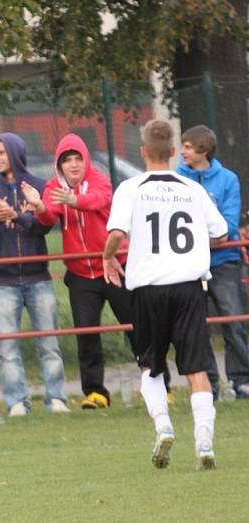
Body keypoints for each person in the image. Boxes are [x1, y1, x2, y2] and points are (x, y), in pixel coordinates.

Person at [103, 119, 226, 471]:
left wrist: (107, 255)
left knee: (150, 365)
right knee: (198, 367)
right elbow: (218, 231)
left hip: (148, 290)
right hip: (189, 288)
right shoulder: (193, 189)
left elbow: (116, 233)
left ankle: (164, 426)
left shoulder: (131, 188)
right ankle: (204, 442)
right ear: (173, 152)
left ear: (142, 152)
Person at [21, 134, 133, 409]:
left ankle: (158, 381)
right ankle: (95, 393)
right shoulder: (53, 186)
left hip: (115, 265)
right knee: (86, 333)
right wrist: (39, 206)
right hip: (81, 273)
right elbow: (48, 215)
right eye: (66, 160)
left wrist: (75, 199)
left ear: (86, 160)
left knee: (135, 325)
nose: (72, 165)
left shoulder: (100, 179)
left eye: (77, 158)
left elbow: (97, 200)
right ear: (59, 165)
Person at [0, 133, 69, 417]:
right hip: (3, 282)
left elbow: (45, 225)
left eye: (2, 152)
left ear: (16, 153)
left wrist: (17, 215)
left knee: (49, 342)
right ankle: (16, 401)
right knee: (7, 348)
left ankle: (57, 398)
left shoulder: (39, 185)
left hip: (38, 278)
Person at [177, 125, 249, 399]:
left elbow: (229, 226)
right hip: (188, 265)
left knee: (233, 322)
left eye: (187, 146)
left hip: (224, 263)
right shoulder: (176, 179)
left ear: (203, 150)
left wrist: (199, 240)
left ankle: (242, 380)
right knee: (196, 326)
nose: (182, 151)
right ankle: (209, 385)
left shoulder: (228, 179)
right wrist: (201, 242)